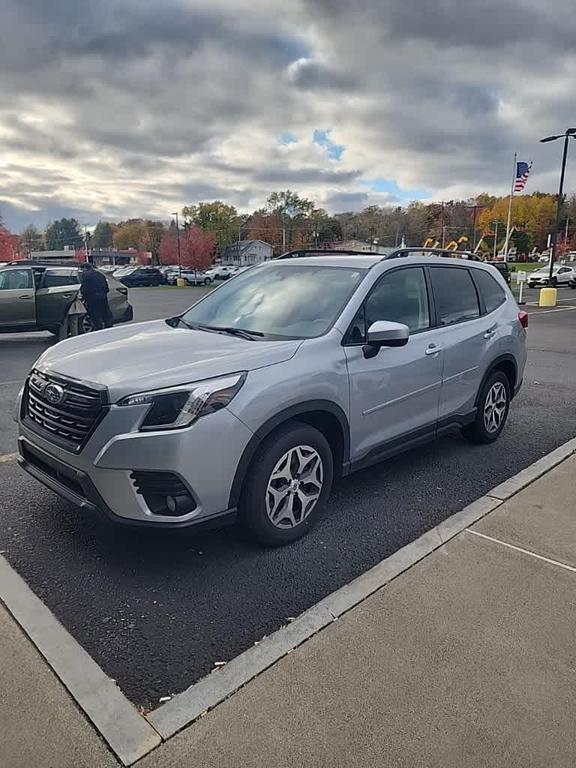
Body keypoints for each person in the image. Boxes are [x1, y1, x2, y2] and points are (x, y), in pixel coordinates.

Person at [79, 262, 113, 331]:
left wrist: (83, 297)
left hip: (92, 298)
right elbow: (106, 288)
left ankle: (98, 329)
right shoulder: (99, 274)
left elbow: (84, 288)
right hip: (102, 297)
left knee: (95, 315)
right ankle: (108, 327)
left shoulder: (84, 275)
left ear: (84, 268)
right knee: (105, 313)